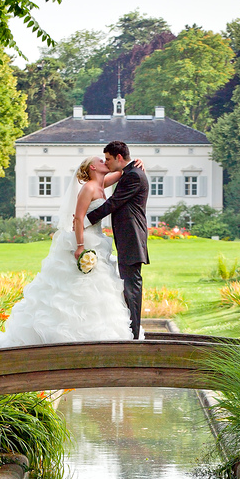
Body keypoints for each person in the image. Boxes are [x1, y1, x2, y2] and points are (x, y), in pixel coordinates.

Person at [0, 155, 136, 352]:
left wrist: (137, 164)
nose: (106, 162)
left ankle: (101, 334)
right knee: (77, 287)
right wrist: (80, 246)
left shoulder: (101, 183)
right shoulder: (88, 188)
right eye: (101, 160)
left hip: (98, 241)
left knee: (100, 288)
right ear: (93, 167)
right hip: (85, 240)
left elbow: (123, 173)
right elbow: (78, 218)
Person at [84, 141, 149, 339]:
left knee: (132, 286)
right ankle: (131, 331)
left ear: (119, 157)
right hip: (128, 239)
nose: (107, 162)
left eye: (109, 159)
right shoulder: (129, 173)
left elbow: (114, 202)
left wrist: (86, 219)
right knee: (128, 285)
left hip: (132, 239)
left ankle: (134, 335)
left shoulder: (134, 176)